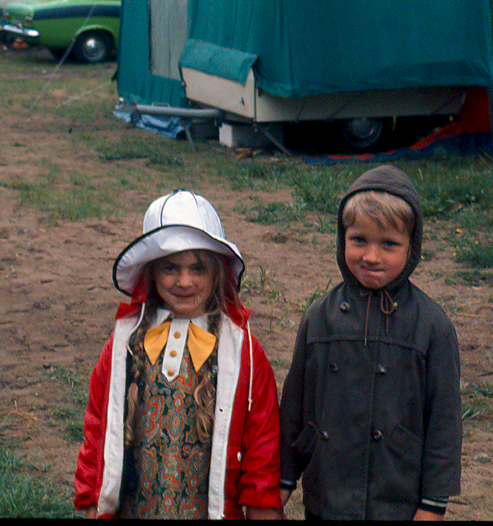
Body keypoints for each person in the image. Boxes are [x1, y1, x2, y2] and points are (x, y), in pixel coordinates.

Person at [74, 189, 282, 519]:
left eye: (197, 268)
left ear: (217, 272)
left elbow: (262, 444)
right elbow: (97, 426)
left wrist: (262, 508)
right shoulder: (123, 344)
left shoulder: (243, 352)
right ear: (151, 272)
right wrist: (90, 498)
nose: (184, 281)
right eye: (170, 268)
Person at [278, 165, 462, 520]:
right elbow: (294, 406)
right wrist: (283, 480)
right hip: (326, 497)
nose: (371, 256)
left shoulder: (432, 326)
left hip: (397, 499)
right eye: (359, 240)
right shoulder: (320, 316)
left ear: (412, 247)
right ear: (341, 237)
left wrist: (433, 503)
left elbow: (445, 423)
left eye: (389, 244)